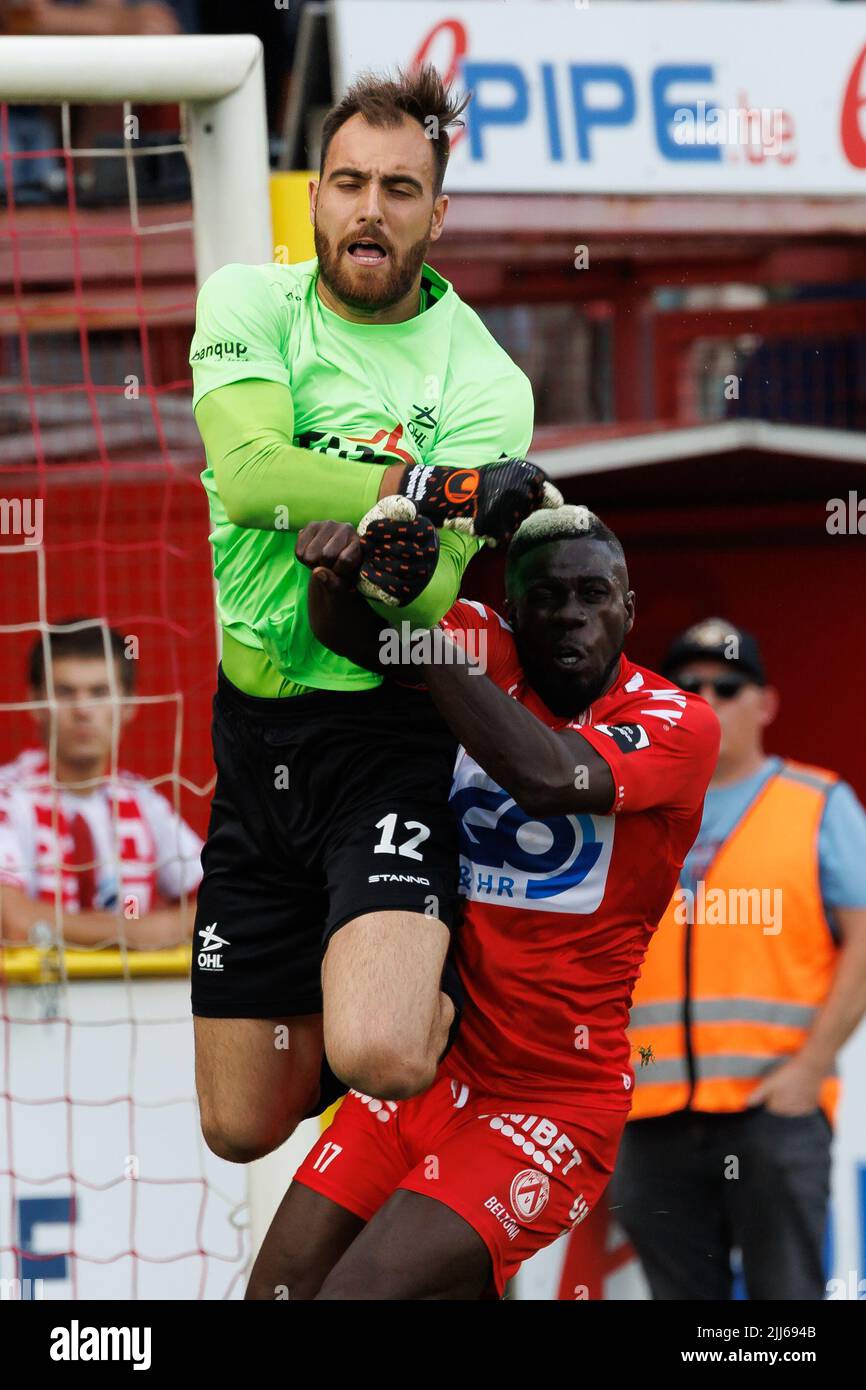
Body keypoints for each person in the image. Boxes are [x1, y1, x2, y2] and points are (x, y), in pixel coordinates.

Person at [188, 64, 559, 1166]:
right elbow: (252, 476)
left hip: (381, 738)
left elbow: (433, 596)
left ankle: (441, 1017)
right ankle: (355, 978)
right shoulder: (248, 298)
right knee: (238, 1124)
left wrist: (380, 563)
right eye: (346, 182)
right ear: (311, 196)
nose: (368, 209)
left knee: (384, 1054)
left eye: (400, 190)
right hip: (250, 739)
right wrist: (437, 488)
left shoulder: (488, 383)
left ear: (436, 216)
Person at [242, 504, 720, 1300]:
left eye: (593, 595)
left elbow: (548, 776)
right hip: (430, 1068)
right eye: (546, 597)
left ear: (628, 610)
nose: (570, 615)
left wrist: (427, 638)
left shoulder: (677, 721)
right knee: (279, 1293)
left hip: (552, 1101)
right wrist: (336, 573)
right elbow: (355, 635)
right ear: (514, 608)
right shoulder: (486, 648)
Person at [609, 618, 866, 1301]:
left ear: (766, 703)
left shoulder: (817, 803)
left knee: (787, 1314)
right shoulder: (631, 812)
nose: (710, 700)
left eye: (728, 686)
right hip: (649, 1116)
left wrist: (810, 1069)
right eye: (689, 687)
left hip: (773, 1111)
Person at [0, 621, 201, 951]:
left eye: (99, 692)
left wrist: (61, 925)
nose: (82, 710)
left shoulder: (144, 800)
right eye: (64, 692)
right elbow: (14, 922)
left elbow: (222, 900)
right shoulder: (8, 796)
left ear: (129, 705)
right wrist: (141, 931)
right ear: (34, 703)